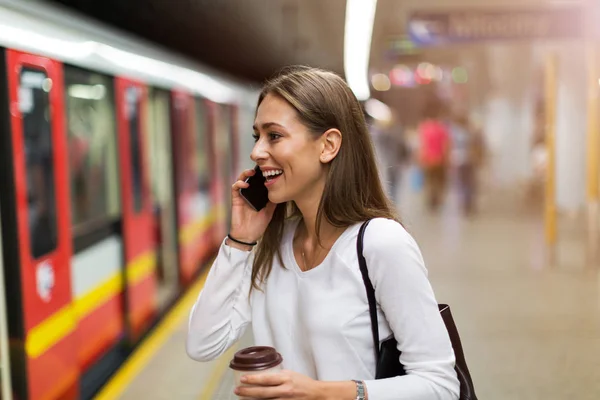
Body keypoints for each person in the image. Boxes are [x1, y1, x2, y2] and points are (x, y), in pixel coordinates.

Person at [186, 66, 459, 400]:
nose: (257, 152)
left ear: (328, 145)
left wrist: (325, 393)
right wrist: (239, 241)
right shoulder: (273, 247)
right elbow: (202, 344)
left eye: (274, 135)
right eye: (257, 136)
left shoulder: (380, 243)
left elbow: (440, 384)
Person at [418, 99, 451, 211]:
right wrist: (447, 159)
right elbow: (446, 145)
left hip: (428, 160)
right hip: (440, 160)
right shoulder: (442, 128)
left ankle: (431, 200)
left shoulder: (424, 127)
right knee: (440, 182)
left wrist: (421, 159)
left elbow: (422, 145)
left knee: (430, 181)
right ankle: (437, 200)